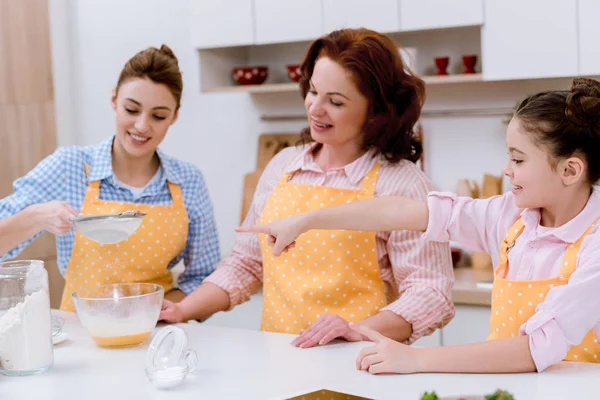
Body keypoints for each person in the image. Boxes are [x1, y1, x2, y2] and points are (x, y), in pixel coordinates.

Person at [241, 77, 600, 373]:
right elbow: (401, 211)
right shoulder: (510, 217)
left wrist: (416, 359)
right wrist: (309, 220)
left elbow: (532, 350)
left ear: (570, 170)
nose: (506, 169)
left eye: (518, 159)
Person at [160, 28, 454, 348]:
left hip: (361, 367)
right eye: (313, 91)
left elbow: (430, 292)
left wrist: (357, 329)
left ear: (377, 111)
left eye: (336, 101)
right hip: (278, 366)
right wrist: (183, 309)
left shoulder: (402, 184)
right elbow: (245, 264)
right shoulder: (282, 167)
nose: (315, 108)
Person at [0, 45, 220, 311]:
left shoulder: (188, 181)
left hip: (156, 333)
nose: (142, 126)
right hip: (82, 334)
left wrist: (159, 308)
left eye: (158, 116)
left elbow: (204, 277)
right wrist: (35, 217)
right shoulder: (70, 167)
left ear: (174, 115)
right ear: (114, 99)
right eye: (131, 109)